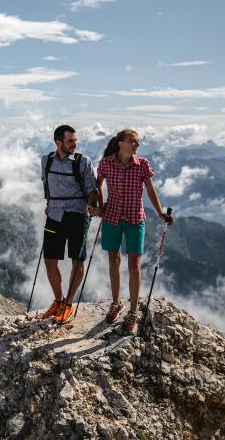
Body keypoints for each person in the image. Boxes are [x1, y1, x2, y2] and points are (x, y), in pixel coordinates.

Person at [96, 128, 174, 333]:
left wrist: (159, 213)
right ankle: (116, 303)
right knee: (113, 259)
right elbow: (98, 185)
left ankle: (132, 312)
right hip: (112, 216)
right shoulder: (106, 163)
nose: (136, 144)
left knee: (134, 264)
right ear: (121, 142)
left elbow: (150, 189)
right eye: (133, 141)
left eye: (137, 141)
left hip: (134, 218)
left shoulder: (142, 164)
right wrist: (100, 205)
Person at [39, 124, 100, 323]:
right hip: (54, 215)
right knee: (49, 260)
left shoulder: (83, 162)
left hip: (77, 215)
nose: (75, 144)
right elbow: (46, 184)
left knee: (77, 260)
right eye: (70, 141)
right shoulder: (46, 161)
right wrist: (49, 202)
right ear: (59, 143)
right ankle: (58, 300)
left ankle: (69, 304)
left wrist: (92, 205)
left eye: (75, 140)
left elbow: (92, 188)